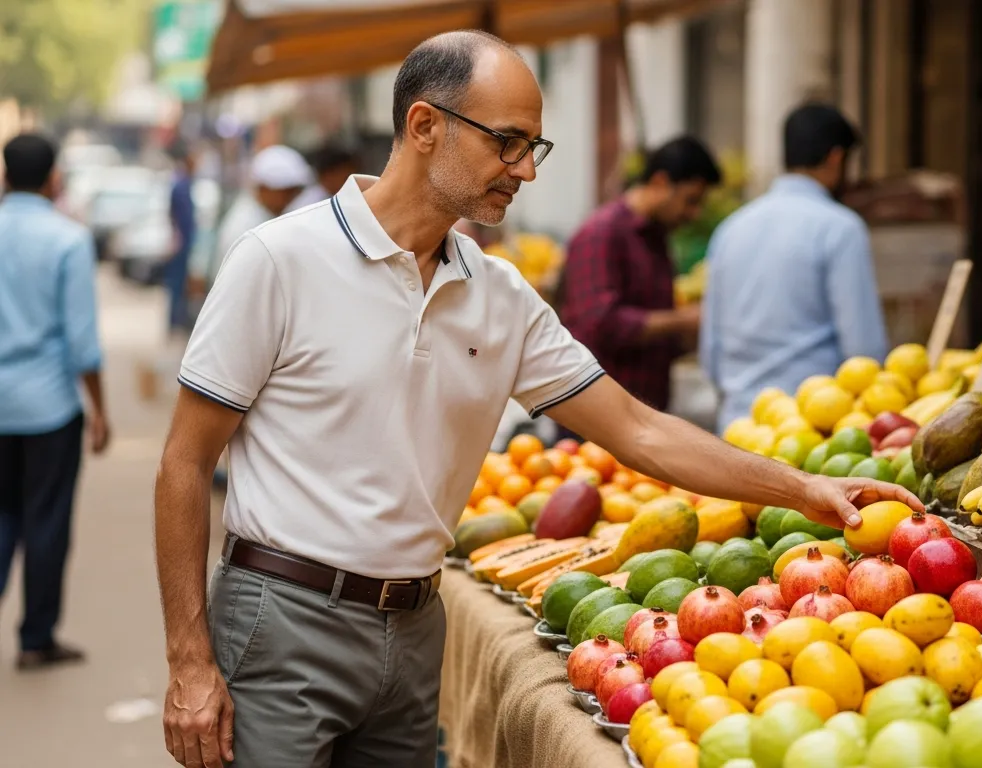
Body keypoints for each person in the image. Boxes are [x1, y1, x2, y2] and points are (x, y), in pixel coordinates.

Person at [155, 31, 919, 768]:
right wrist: (190, 661)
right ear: (425, 125)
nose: (524, 170)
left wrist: (804, 488)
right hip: (284, 618)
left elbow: (640, 431)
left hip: (418, 628)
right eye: (507, 142)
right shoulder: (278, 261)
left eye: (532, 148)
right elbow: (184, 465)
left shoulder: (502, 295)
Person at [701, 103, 889, 430]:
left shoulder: (731, 228)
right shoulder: (840, 227)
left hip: (738, 429)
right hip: (813, 435)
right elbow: (863, 355)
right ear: (836, 157)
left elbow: (711, 352)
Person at [0, 133, 110, 671]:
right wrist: (100, 411)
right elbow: (82, 344)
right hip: (47, 408)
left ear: (3, 175)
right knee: (45, 522)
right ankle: (36, 638)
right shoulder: (67, 240)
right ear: (53, 179)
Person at [557, 136, 719, 416]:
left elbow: (650, 328)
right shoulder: (602, 232)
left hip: (640, 414)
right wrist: (685, 319)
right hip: (597, 419)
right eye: (690, 200)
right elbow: (600, 322)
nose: (694, 213)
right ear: (660, 182)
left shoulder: (656, 238)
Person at [201, 144, 312, 287]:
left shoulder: (260, 217)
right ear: (265, 188)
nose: (290, 199)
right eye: (287, 192)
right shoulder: (246, 227)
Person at [166, 142, 198, 336]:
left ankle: (178, 321)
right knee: (176, 284)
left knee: (181, 284)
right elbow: (177, 217)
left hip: (185, 242)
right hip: (181, 244)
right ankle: (175, 323)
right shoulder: (180, 185)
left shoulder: (184, 183)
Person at [288, 144, 358, 211]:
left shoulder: (345, 197)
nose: (351, 181)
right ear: (328, 174)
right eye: (345, 177)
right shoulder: (308, 204)